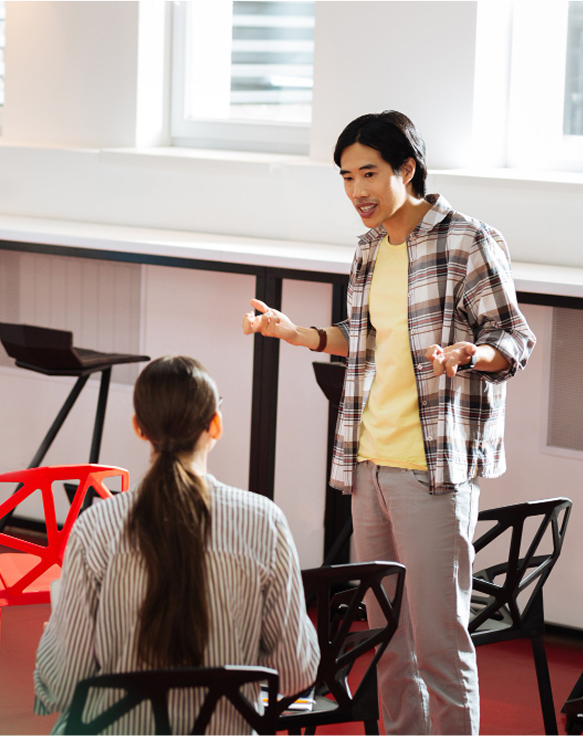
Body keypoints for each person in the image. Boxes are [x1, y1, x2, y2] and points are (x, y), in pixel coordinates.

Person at [243, 111, 536, 735]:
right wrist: (298, 333)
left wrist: (470, 355)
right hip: (368, 460)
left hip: (431, 469)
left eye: (369, 173)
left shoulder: (467, 240)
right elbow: (367, 337)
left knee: (438, 639)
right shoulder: (370, 247)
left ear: (407, 168)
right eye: (346, 177)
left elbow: (514, 337)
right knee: (385, 637)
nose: (357, 192)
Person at [34, 356, 319, 734]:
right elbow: (295, 674)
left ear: (139, 428)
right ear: (215, 425)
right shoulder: (265, 522)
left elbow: (64, 683)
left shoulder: (95, 527)